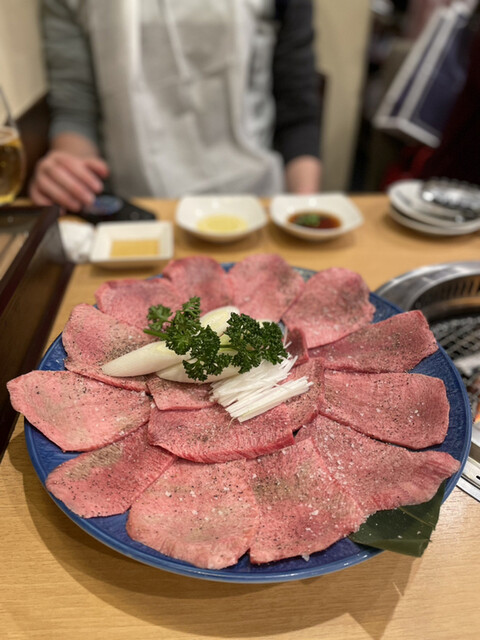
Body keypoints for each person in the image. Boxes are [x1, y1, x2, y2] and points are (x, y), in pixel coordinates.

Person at [30, 0, 322, 212]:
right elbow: (76, 108)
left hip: (257, 201)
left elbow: (297, 109)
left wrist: (302, 208)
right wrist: (69, 173)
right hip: (136, 209)